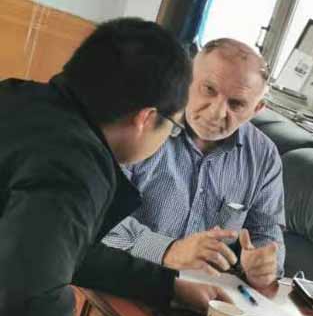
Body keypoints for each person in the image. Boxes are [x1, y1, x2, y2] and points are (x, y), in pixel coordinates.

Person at [0, 17, 220, 316]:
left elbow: (50, 250)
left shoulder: (21, 102)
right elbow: (28, 292)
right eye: (171, 127)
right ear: (145, 117)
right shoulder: (75, 162)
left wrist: (167, 283)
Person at [103, 38, 285, 289]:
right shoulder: (141, 122)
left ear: (257, 108)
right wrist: (168, 250)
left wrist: (262, 266)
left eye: (236, 104)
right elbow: (98, 216)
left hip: (210, 295)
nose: (216, 112)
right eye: (209, 89)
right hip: (123, 278)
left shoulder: (264, 156)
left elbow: (267, 235)